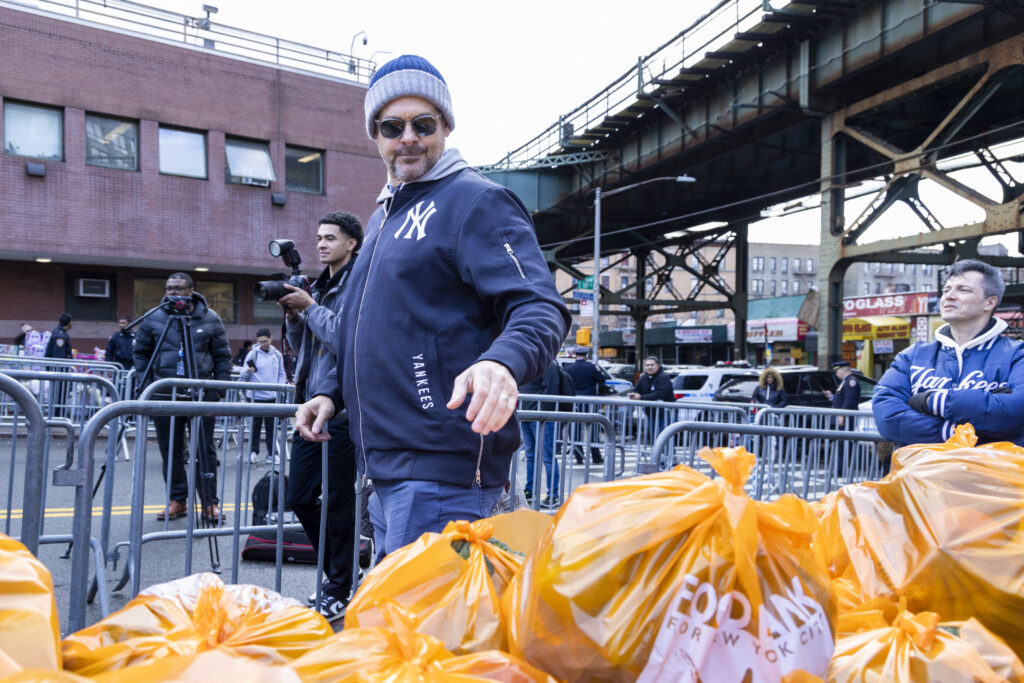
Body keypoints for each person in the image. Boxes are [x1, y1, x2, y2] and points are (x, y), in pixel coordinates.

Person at [293, 55, 569, 562]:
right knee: (402, 632)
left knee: (424, 633)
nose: (409, 138)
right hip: (383, 465)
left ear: (446, 126)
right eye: (393, 126)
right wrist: (330, 391)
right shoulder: (381, 217)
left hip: (442, 468)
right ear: (375, 134)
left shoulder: (477, 201)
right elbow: (362, 324)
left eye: (424, 124)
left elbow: (539, 306)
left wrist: (500, 361)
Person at [278, 211, 363, 621]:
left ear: (352, 244)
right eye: (318, 238)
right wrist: (296, 316)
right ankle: (342, 574)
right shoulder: (317, 286)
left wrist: (309, 306)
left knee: (339, 500)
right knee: (299, 495)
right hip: (310, 403)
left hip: (343, 405)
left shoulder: (358, 283)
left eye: (331, 238)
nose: (322, 244)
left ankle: (340, 585)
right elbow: (306, 343)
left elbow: (344, 339)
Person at [873, 259, 1024, 447]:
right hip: (920, 474)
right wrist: (955, 433)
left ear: (990, 302)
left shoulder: (1018, 355)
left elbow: (1015, 412)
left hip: (994, 474)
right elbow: (887, 416)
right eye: (946, 290)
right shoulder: (912, 356)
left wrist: (932, 401)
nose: (949, 296)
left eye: (963, 290)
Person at [133, 273, 232, 523]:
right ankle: (178, 500)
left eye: (178, 289)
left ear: (190, 291)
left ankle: (209, 503)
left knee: (204, 450)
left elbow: (222, 356)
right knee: (171, 450)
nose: (172, 294)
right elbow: (141, 354)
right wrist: (149, 385)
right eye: (168, 289)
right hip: (166, 394)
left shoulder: (210, 318)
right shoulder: (154, 318)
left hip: (201, 395)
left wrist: (218, 389)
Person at [240, 328, 286, 464]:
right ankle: (253, 452)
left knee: (271, 427)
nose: (263, 344)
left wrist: (279, 388)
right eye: (260, 342)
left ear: (271, 338)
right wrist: (248, 371)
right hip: (254, 395)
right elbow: (243, 372)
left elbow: (281, 373)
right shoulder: (253, 354)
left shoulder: (277, 355)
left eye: (265, 341)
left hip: (271, 396)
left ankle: (272, 453)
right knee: (255, 426)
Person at [519, 361, 561, 508]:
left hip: (540, 417)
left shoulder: (548, 365)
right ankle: (530, 490)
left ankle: (553, 495)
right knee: (531, 456)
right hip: (526, 415)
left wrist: (542, 413)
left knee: (547, 456)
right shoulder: (527, 363)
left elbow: (551, 391)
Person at [562, 346, 605, 465]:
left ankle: (579, 457)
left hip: (575, 402)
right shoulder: (592, 367)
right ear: (586, 355)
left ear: (575, 354)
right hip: (590, 402)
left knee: (575, 431)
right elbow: (602, 381)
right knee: (593, 430)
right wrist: (597, 370)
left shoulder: (568, 368)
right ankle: (596, 456)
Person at [629, 356, 675, 463]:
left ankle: (669, 461)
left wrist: (641, 397)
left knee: (665, 439)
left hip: (665, 414)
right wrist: (634, 394)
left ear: (658, 366)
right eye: (647, 365)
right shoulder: (644, 378)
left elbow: (660, 394)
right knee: (656, 439)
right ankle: (661, 461)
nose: (649, 367)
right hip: (651, 414)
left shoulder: (663, 377)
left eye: (652, 365)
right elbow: (637, 390)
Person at [824, 361, 860, 427]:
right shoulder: (845, 381)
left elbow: (850, 401)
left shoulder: (851, 381)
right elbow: (841, 399)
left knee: (844, 436)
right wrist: (831, 397)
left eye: (837, 372)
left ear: (842, 370)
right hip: (840, 417)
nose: (836, 374)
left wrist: (842, 415)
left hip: (845, 418)